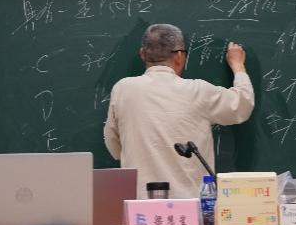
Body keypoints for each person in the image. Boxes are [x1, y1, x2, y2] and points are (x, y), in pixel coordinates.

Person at [103, 24, 254, 198]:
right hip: (190, 205)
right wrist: (238, 66)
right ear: (180, 56)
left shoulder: (123, 89)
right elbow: (242, 105)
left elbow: (113, 145)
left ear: (142, 54)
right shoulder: (198, 91)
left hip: (140, 205)